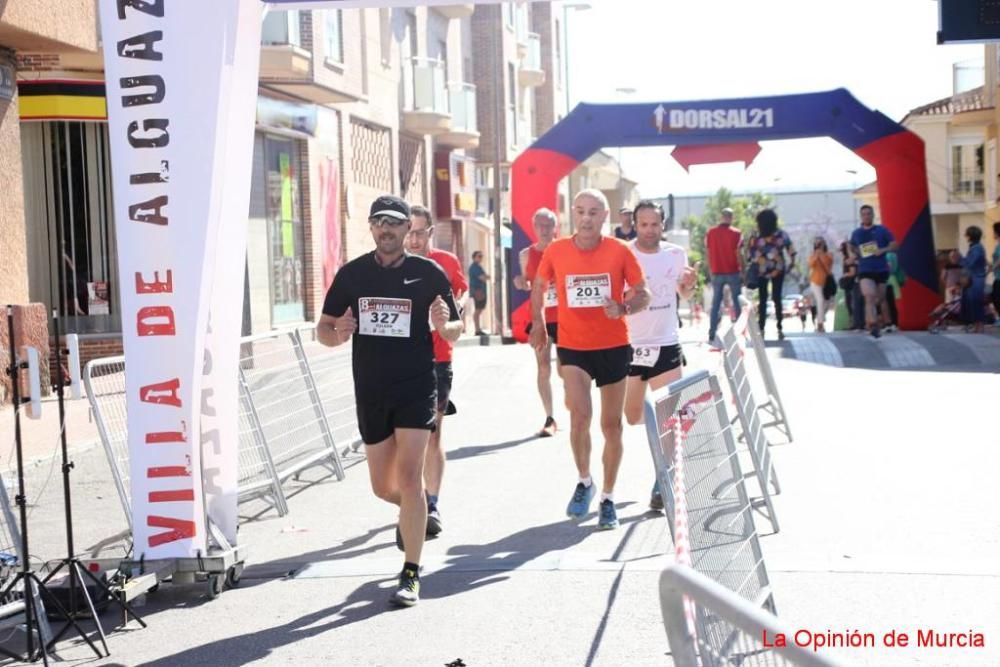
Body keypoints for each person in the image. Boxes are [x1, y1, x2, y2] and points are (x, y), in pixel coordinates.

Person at [317, 195, 462, 608]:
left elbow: (455, 327)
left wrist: (444, 324)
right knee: (385, 487)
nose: (387, 229)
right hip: (372, 390)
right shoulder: (353, 276)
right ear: (371, 227)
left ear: (406, 230)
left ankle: (411, 573)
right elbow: (323, 330)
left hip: (416, 386)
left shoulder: (428, 273)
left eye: (395, 223)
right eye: (379, 222)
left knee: (412, 477)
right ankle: (412, 515)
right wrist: (338, 331)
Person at [529, 189, 650, 530]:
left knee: (611, 426)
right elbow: (538, 286)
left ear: (605, 217)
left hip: (613, 346)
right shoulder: (556, 250)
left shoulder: (619, 251)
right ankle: (585, 481)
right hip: (573, 347)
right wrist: (539, 324)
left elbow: (644, 293)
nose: (586, 218)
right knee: (580, 417)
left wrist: (624, 307)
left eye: (594, 212)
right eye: (580, 211)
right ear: (572, 215)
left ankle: (608, 497)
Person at [621, 200, 697, 511]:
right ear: (635, 225)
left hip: (667, 343)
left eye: (655, 224)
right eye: (644, 225)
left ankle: (662, 478)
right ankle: (684, 421)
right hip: (632, 345)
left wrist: (689, 286)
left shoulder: (675, 254)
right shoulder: (624, 253)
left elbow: (685, 294)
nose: (649, 230)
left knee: (667, 416)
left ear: (662, 225)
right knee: (633, 416)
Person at [404, 205, 467, 537]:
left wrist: (457, 314)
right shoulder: (392, 265)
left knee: (432, 433)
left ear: (430, 232)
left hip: (438, 358)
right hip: (400, 358)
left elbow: (461, 292)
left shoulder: (446, 263)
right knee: (403, 437)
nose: (413, 239)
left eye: (419, 232)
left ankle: (431, 502)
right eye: (408, 232)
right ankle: (408, 500)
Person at [514, 208, 561, 437]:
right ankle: (549, 418)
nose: (544, 230)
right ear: (534, 228)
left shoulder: (565, 251)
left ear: (555, 228)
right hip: (539, 318)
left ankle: (575, 405)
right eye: (539, 226)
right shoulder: (526, 255)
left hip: (565, 318)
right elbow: (526, 283)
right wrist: (521, 283)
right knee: (543, 367)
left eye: (548, 225)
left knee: (565, 370)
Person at [745, 209, 796, 340]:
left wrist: (759, 259)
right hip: (778, 269)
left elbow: (750, 254)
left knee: (763, 299)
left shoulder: (756, 235)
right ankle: (779, 327)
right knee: (777, 298)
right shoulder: (780, 234)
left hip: (762, 271)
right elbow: (791, 249)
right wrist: (791, 262)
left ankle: (761, 328)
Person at [849, 204, 897, 338]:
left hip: (881, 269)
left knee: (880, 298)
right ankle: (873, 325)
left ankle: (871, 319)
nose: (866, 216)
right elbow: (852, 246)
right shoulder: (856, 233)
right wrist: (855, 252)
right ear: (861, 216)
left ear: (873, 215)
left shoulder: (882, 230)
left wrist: (882, 250)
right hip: (865, 269)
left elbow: (894, 244)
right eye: (864, 214)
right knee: (869, 296)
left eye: (869, 213)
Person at [706, 207, 743, 345]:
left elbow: (708, 252)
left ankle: (712, 331)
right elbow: (738, 253)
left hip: (717, 270)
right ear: (731, 217)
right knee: (737, 301)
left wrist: (710, 269)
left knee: (716, 302)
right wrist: (743, 270)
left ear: (721, 217)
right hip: (733, 270)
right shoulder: (736, 233)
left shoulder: (711, 233)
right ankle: (740, 331)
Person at [959, 225, 988, 333]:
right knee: (971, 302)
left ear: (970, 236)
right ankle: (976, 325)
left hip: (976, 279)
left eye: (967, 234)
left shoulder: (976, 248)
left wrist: (959, 259)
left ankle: (979, 326)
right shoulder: (975, 247)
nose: (965, 236)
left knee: (975, 302)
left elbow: (969, 263)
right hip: (974, 278)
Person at [807, 237, 834, 332]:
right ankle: (820, 323)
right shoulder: (812, 255)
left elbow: (828, 264)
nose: (819, 246)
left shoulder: (828, 255)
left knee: (827, 302)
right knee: (820, 300)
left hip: (826, 282)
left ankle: (820, 317)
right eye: (817, 244)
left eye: (821, 244)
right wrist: (815, 256)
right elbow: (810, 264)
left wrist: (821, 255)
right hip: (815, 281)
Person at [838, 241, 859, 329]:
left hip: (851, 283)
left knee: (851, 303)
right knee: (850, 303)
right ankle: (853, 322)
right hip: (851, 283)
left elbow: (852, 272)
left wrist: (845, 275)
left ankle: (854, 323)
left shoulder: (849, 259)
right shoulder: (848, 258)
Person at [468, 251, 490, 335]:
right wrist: (486, 276)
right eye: (479, 256)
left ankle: (478, 329)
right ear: (474, 257)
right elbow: (483, 277)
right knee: (478, 310)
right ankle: (477, 329)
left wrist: (486, 277)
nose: (481, 258)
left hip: (480, 290)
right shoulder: (474, 267)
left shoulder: (478, 267)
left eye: (481, 256)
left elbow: (485, 277)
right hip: (478, 291)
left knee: (479, 309)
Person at [992, 223, 1000, 323]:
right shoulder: (997, 246)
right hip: (997, 276)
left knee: (997, 299)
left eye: (994, 231)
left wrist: (992, 268)